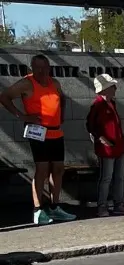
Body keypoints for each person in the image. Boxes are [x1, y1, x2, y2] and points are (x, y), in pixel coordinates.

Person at [0, 53, 75, 224]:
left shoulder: (54, 83)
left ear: (49, 68)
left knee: (58, 169)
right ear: (32, 68)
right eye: (38, 68)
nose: (41, 71)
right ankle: (38, 209)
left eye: (44, 67)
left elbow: (62, 98)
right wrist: (22, 116)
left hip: (55, 131)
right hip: (38, 131)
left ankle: (55, 207)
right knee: (42, 169)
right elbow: (4, 97)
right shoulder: (26, 83)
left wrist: (61, 115)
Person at [86, 74, 124, 217]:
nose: (115, 88)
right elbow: (90, 125)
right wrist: (102, 139)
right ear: (105, 89)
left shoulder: (111, 103)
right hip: (106, 148)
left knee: (118, 177)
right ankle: (102, 206)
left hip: (117, 145)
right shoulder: (97, 105)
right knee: (106, 178)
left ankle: (119, 204)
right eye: (112, 86)